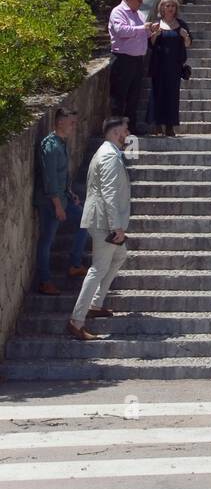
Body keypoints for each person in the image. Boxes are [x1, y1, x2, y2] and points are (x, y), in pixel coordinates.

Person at [68, 118, 133, 342]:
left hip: (102, 220)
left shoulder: (107, 152)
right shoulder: (109, 156)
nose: (128, 134)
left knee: (120, 256)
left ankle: (95, 304)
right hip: (104, 223)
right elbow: (109, 194)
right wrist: (116, 226)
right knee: (98, 269)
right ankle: (77, 321)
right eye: (125, 130)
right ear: (116, 133)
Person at [34, 107, 88, 294]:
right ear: (60, 122)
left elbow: (61, 177)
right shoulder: (51, 146)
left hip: (63, 199)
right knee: (47, 240)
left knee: (84, 219)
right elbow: (50, 180)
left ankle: (75, 264)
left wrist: (71, 194)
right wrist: (58, 206)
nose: (74, 126)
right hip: (50, 202)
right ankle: (45, 281)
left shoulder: (61, 143)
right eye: (71, 122)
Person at [108, 0, 157, 135]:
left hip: (137, 60)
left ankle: (131, 128)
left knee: (134, 96)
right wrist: (142, 28)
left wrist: (151, 30)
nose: (141, 3)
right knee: (119, 96)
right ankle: (116, 130)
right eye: (139, 0)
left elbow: (142, 34)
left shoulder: (139, 14)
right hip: (123, 59)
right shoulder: (118, 12)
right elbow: (121, 31)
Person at [145, 0, 192, 137]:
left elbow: (188, 44)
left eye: (173, 6)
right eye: (168, 6)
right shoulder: (157, 24)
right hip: (158, 65)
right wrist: (154, 35)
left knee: (172, 96)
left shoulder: (181, 24)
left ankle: (170, 126)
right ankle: (157, 125)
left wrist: (185, 36)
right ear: (162, 8)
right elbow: (151, 45)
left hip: (174, 66)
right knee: (157, 94)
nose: (170, 8)